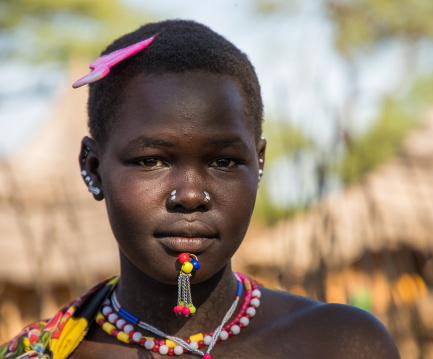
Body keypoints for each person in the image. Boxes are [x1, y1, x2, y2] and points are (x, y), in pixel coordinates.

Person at [0, 20, 400, 359]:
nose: (190, 196)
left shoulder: (339, 343)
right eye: (151, 161)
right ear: (93, 168)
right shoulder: (45, 352)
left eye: (223, 162)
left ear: (258, 163)